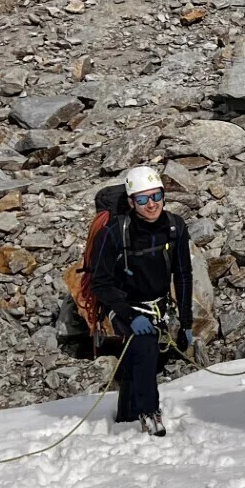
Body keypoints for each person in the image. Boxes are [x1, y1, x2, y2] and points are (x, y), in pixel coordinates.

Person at [87, 164, 195, 436]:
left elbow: (182, 274)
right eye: (143, 199)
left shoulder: (174, 227)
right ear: (131, 202)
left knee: (143, 358)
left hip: (158, 304)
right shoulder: (113, 232)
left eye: (156, 196)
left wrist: (186, 322)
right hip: (124, 306)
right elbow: (101, 282)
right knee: (144, 347)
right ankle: (150, 411)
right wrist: (129, 315)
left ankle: (126, 413)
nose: (151, 205)